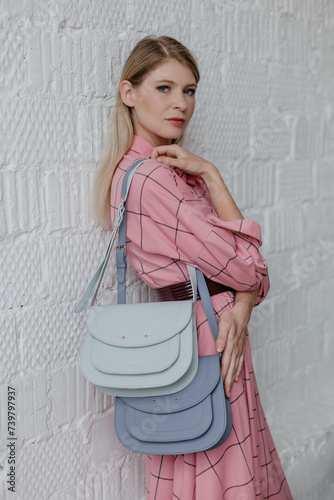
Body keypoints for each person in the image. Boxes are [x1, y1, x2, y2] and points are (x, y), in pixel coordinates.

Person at [92, 35, 293, 500]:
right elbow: (253, 269)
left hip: (200, 329)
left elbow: (244, 272)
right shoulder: (155, 181)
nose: (180, 103)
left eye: (189, 90)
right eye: (164, 88)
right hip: (206, 335)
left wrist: (206, 173)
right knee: (221, 467)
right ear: (129, 93)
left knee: (202, 465)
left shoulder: (150, 171)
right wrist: (213, 178)